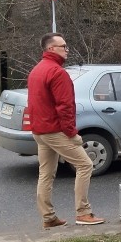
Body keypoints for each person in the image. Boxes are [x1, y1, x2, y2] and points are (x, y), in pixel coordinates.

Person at [27, 33, 105, 228]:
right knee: (85, 165)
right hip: (55, 131)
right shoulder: (57, 73)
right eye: (63, 46)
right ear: (51, 49)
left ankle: (48, 217)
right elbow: (65, 107)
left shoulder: (36, 70)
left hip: (40, 131)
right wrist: (72, 133)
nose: (67, 49)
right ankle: (83, 213)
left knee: (46, 173)